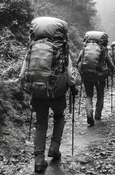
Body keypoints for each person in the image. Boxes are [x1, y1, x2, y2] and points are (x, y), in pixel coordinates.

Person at [19, 17, 78, 173]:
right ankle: (54, 148)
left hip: (37, 93)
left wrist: (26, 89)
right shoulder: (61, 48)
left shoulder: (32, 47)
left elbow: (22, 74)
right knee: (59, 117)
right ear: (60, 34)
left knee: (41, 124)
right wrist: (72, 86)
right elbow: (69, 72)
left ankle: (39, 160)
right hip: (56, 92)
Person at [77, 31, 115, 126]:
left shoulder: (85, 48)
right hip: (99, 76)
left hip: (87, 75)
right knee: (100, 94)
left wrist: (81, 72)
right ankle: (97, 115)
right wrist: (111, 70)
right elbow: (110, 63)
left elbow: (78, 61)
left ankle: (89, 113)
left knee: (88, 95)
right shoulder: (103, 49)